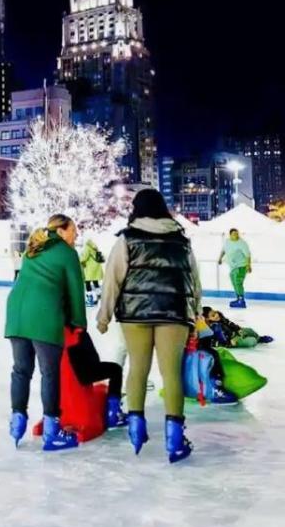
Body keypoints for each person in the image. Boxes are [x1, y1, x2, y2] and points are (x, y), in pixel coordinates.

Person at [98, 188, 201, 463]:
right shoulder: (181, 240)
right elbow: (193, 280)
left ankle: (136, 428)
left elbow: (113, 279)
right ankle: (175, 440)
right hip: (174, 313)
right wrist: (196, 313)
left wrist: (103, 316)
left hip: (135, 314)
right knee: (171, 374)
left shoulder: (127, 238)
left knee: (138, 369)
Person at [4, 213, 88, 450]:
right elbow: (76, 292)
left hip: (17, 314)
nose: (76, 235)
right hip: (44, 314)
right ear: (61, 230)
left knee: (21, 370)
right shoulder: (67, 253)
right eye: (73, 230)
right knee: (49, 373)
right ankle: (52, 432)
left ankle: (17, 424)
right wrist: (78, 323)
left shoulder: (34, 246)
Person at [201, 305, 273, 349]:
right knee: (252, 341)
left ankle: (259, 338)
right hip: (233, 340)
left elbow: (230, 323)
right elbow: (214, 342)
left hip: (235, 333)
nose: (216, 315)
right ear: (207, 319)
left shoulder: (221, 318)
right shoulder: (212, 329)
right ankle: (254, 340)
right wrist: (229, 343)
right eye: (213, 315)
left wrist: (238, 329)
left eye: (215, 312)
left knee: (250, 330)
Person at [218, 228, 253, 309]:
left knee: (238, 282)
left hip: (241, 266)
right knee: (234, 282)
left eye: (237, 234)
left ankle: (241, 300)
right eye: (234, 234)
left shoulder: (242, 243)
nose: (236, 235)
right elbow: (223, 250)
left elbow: (248, 255)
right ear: (230, 235)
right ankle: (238, 298)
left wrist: (248, 266)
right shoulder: (227, 242)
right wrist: (220, 258)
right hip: (232, 267)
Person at [79, 238, 104, 307]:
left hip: (90, 268)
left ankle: (90, 300)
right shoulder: (95, 248)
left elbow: (84, 257)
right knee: (95, 282)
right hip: (96, 268)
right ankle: (99, 296)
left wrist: (79, 259)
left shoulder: (87, 247)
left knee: (87, 283)